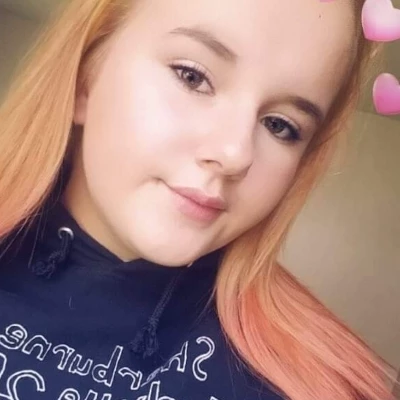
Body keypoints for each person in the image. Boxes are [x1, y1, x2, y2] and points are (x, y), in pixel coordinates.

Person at [0, 0, 394, 399]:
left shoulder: (318, 387)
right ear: (86, 77)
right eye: (193, 77)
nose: (235, 154)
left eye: (280, 126)